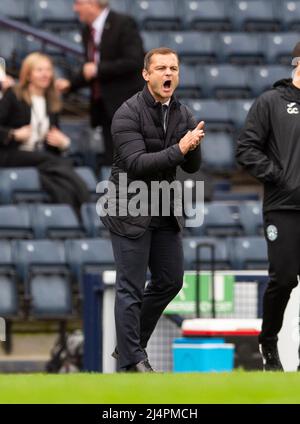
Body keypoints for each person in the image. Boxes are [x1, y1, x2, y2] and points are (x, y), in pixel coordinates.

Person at [100, 47, 205, 372]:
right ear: (147, 74)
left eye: (173, 67)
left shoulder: (183, 113)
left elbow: (191, 167)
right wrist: (181, 148)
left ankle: (129, 348)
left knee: (170, 280)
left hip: (163, 206)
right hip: (128, 206)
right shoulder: (127, 112)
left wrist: (192, 146)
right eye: (160, 68)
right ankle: (133, 360)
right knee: (129, 286)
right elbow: (137, 164)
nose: (168, 73)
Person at [236, 42, 300, 371]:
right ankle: (269, 341)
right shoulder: (271, 102)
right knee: (285, 278)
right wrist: (278, 175)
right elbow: (246, 149)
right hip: (284, 207)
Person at [56, 0, 144, 166]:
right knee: (113, 159)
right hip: (104, 105)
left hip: (126, 104)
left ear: (92, 3)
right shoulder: (87, 31)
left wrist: (98, 69)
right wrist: (70, 83)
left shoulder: (123, 24)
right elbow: (91, 69)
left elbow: (134, 61)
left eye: (78, 3)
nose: (75, 9)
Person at [0, 52, 90, 216]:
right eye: (39, 70)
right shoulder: (13, 95)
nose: (45, 74)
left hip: (41, 158)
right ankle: (85, 195)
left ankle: (73, 213)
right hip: (11, 154)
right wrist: (13, 134)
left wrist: (64, 144)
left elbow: (52, 141)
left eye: (48, 70)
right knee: (59, 164)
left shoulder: (52, 101)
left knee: (57, 183)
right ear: (28, 74)